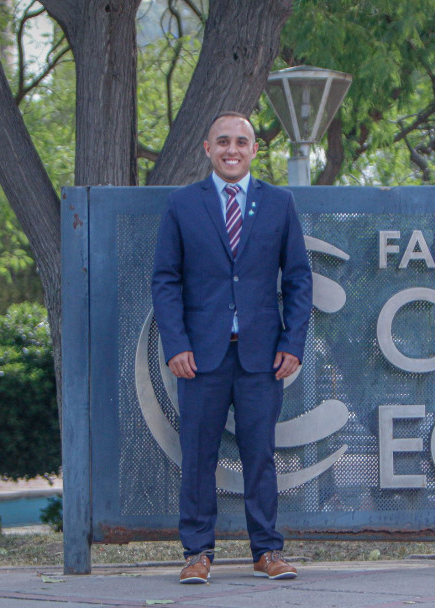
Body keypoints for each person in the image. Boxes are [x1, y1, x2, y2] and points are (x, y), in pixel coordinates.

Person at [151, 111, 313, 584]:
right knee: (198, 455)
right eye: (222, 141)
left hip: (262, 355)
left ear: (254, 149)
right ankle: (197, 552)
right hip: (200, 357)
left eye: (241, 142)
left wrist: (294, 343)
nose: (232, 150)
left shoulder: (279, 203)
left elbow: (299, 279)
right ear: (207, 148)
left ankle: (266, 550)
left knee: (259, 453)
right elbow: (165, 280)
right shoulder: (183, 204)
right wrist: (175, 344)